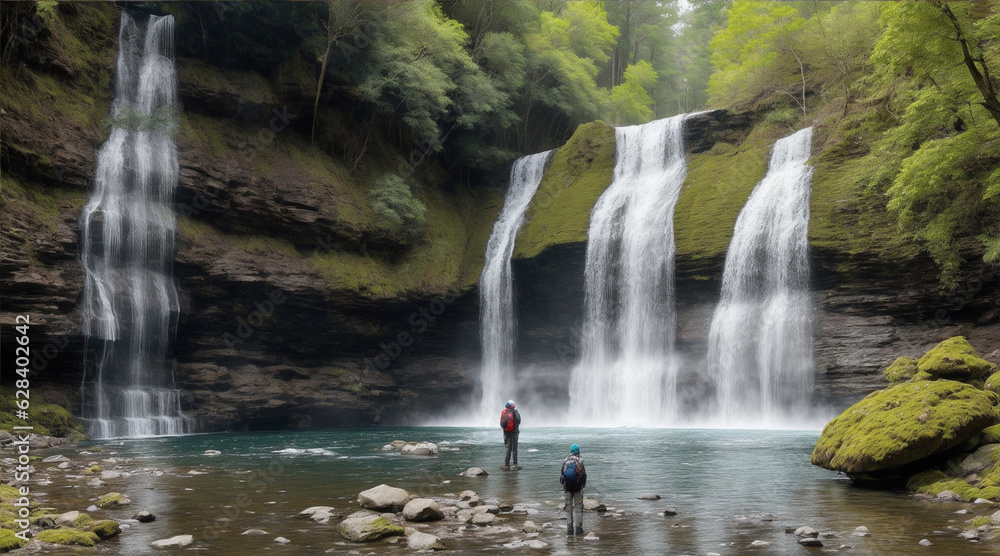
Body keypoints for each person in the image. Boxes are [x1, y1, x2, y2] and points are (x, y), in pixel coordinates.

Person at [560, 443, 587, 535]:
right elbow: (584, 475)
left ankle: (569, 530)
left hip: (567, 488)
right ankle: (579, 529)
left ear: (571, 452)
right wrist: (583, 486)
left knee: (568, 509)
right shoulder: (580, 460)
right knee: (578, 508)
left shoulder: (565, 460)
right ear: (578, 451)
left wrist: (564, 486)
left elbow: (562, 476)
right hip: (577, 488)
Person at [499, 400, 521, 470]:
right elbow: (518, 421)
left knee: (508, 448)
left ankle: (506, 464)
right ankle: (515, 464)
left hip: (506, 432)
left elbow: (502, 424)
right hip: (514, 432)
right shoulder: (515, 412)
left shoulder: (504, 412)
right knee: (514, 448)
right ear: (513, 405)